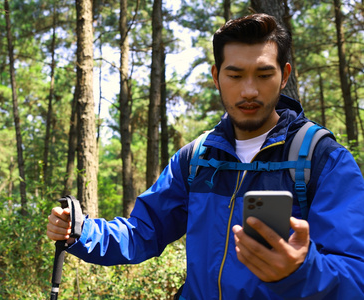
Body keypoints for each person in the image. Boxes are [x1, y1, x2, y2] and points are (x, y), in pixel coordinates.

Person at [47, 13, 364, 299]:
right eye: (235, 75)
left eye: (264, 75)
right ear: (216, 76)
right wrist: (81, 231)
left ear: (284, 76)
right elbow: (143, 232)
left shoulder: (324, 160)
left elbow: (355, 278)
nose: (249, 90)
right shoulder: (196, 159)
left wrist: (300, 270)